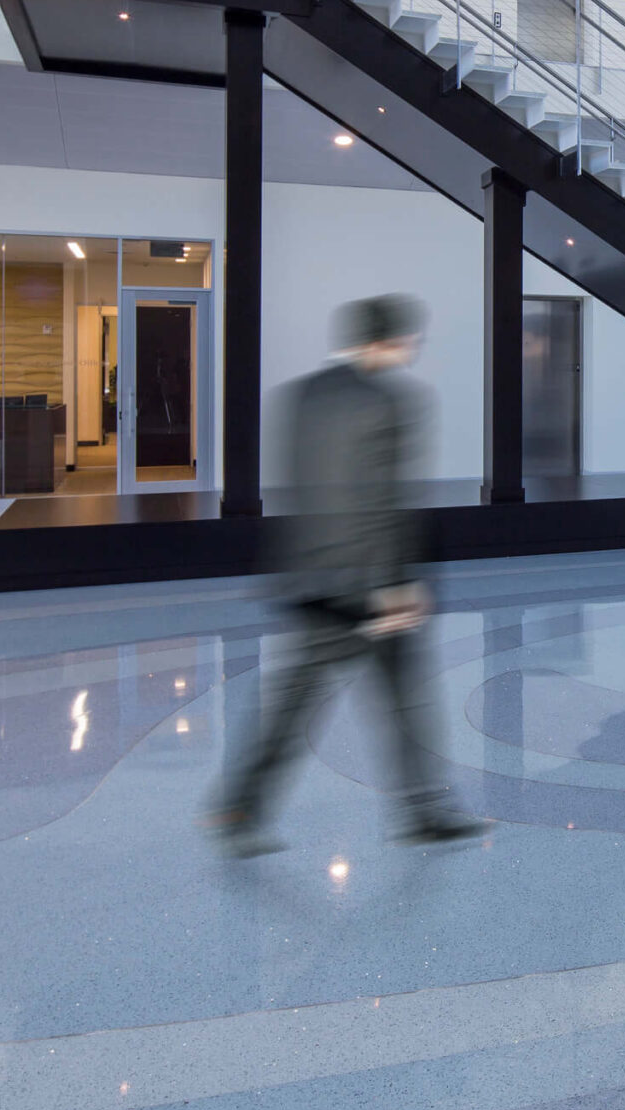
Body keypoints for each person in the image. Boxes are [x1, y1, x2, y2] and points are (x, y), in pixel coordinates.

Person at [205, 294, 486, 856]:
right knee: (406, 701)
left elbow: (308, 487)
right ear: (395, 340)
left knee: (293, 703)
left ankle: (238, 806)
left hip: (310, 578)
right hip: (367, 586)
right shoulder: (393, 400)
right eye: (410, 340)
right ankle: (424, 812)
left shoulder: (305, 396)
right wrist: (394, 587)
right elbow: (380, 500)